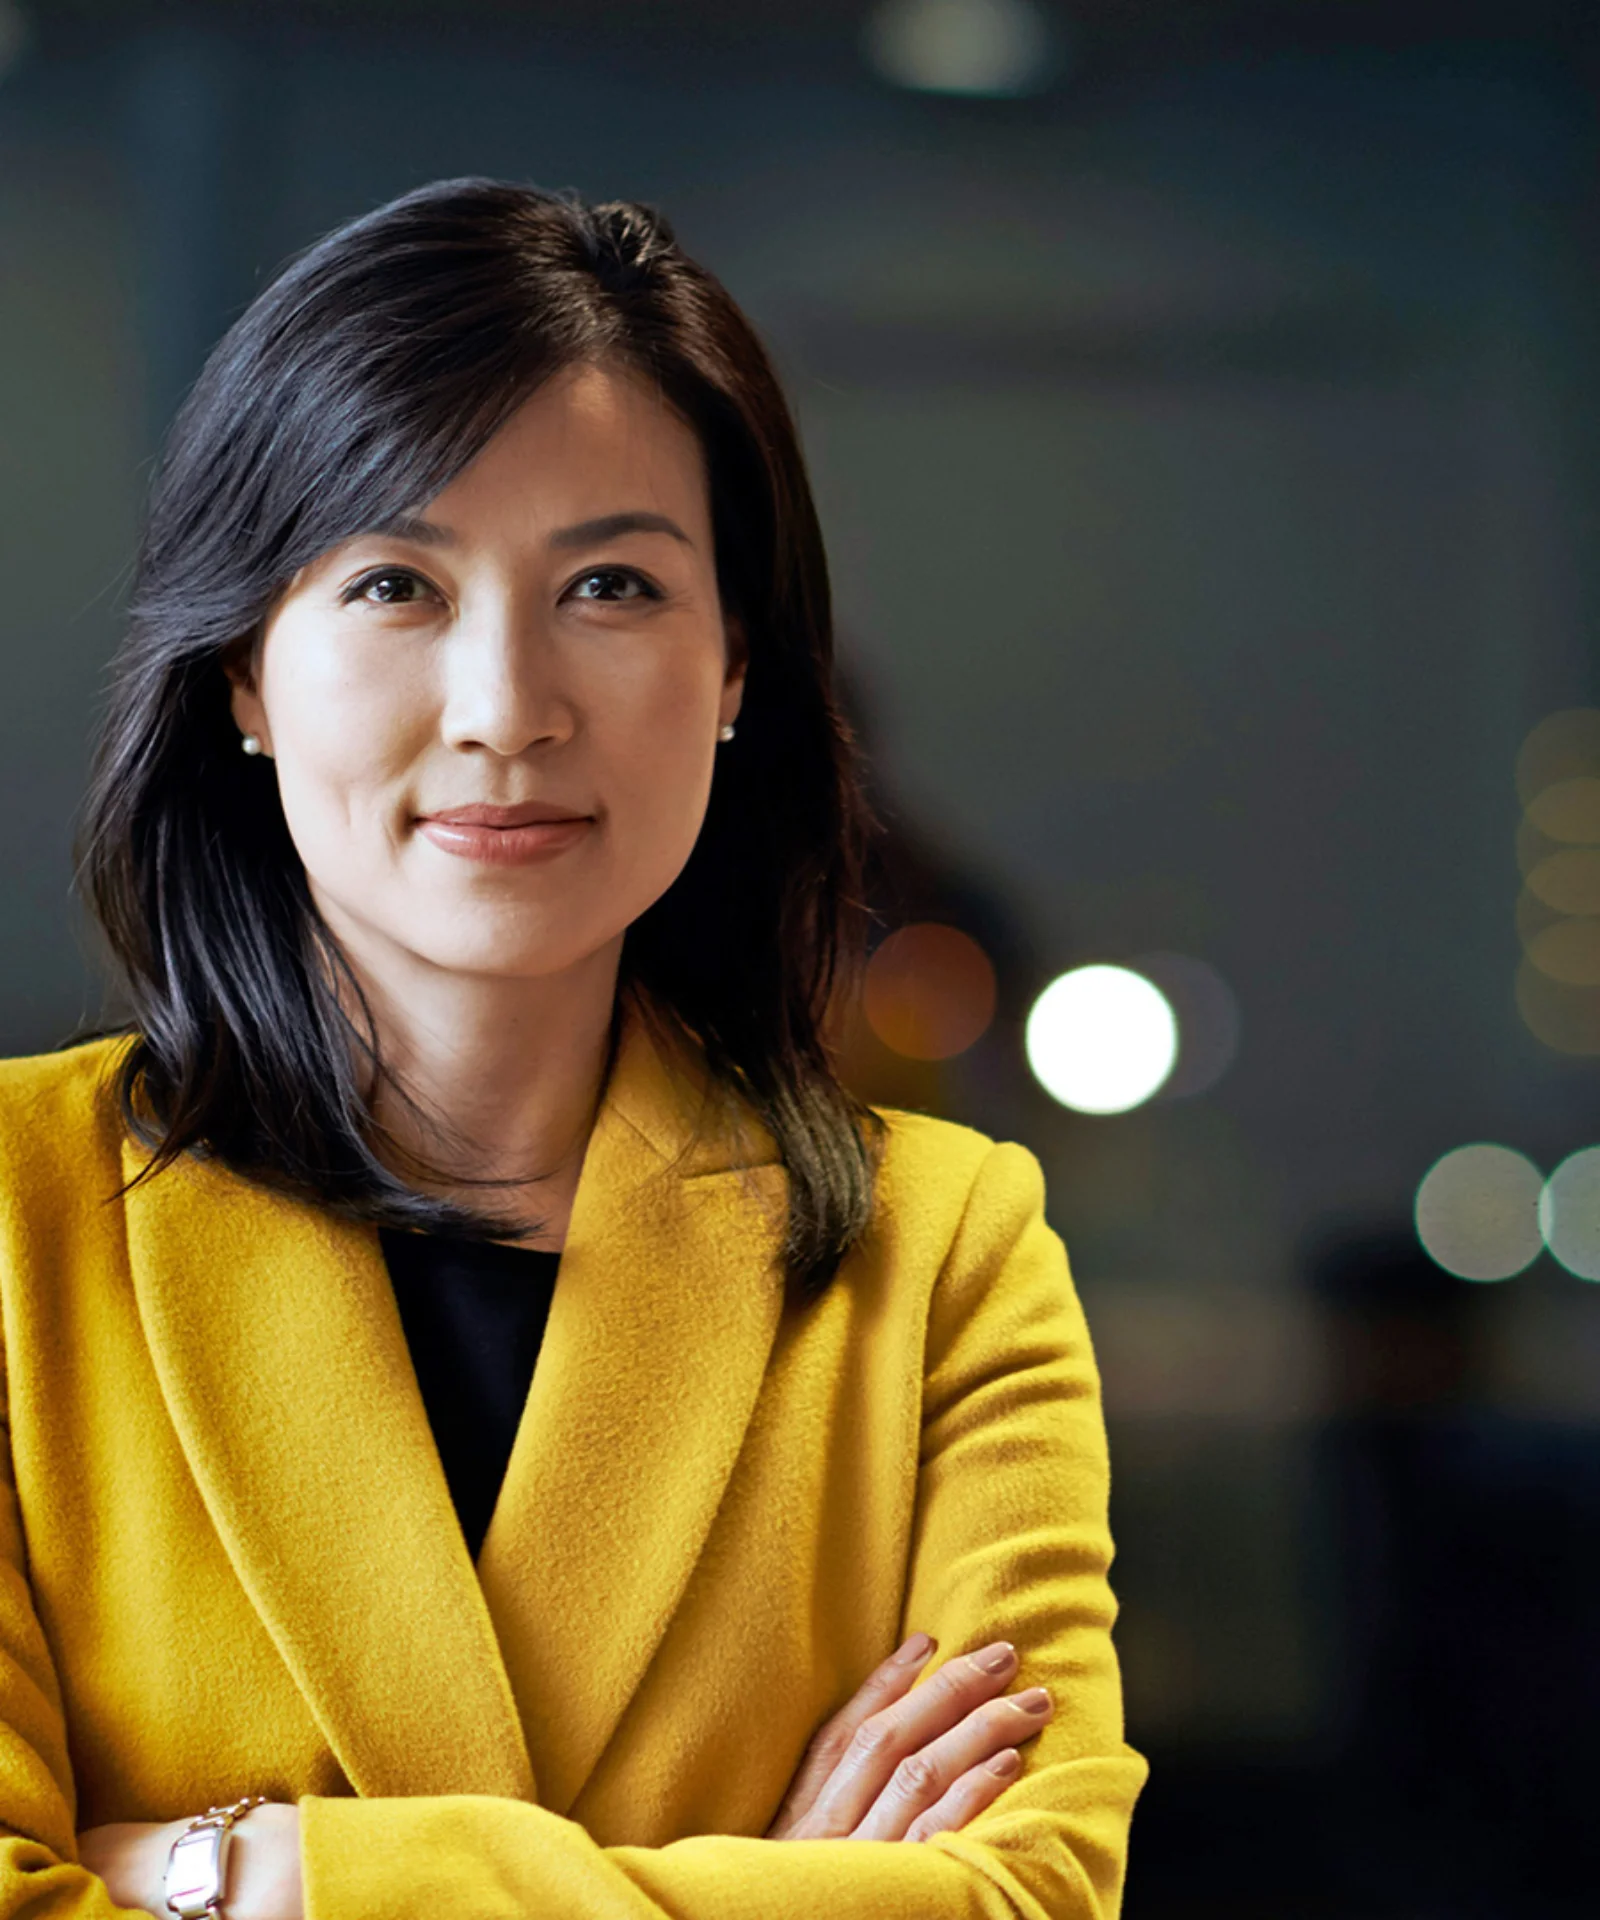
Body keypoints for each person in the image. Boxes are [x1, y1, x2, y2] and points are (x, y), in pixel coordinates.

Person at [0, 178, 1146, 1920]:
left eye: (610, 583)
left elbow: (1032, 1896)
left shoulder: (947, 1259)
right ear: (243, 669)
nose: (504, 706)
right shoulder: (18, 1224)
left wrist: (264, 1877)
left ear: (738, 664)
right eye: (395, 582)